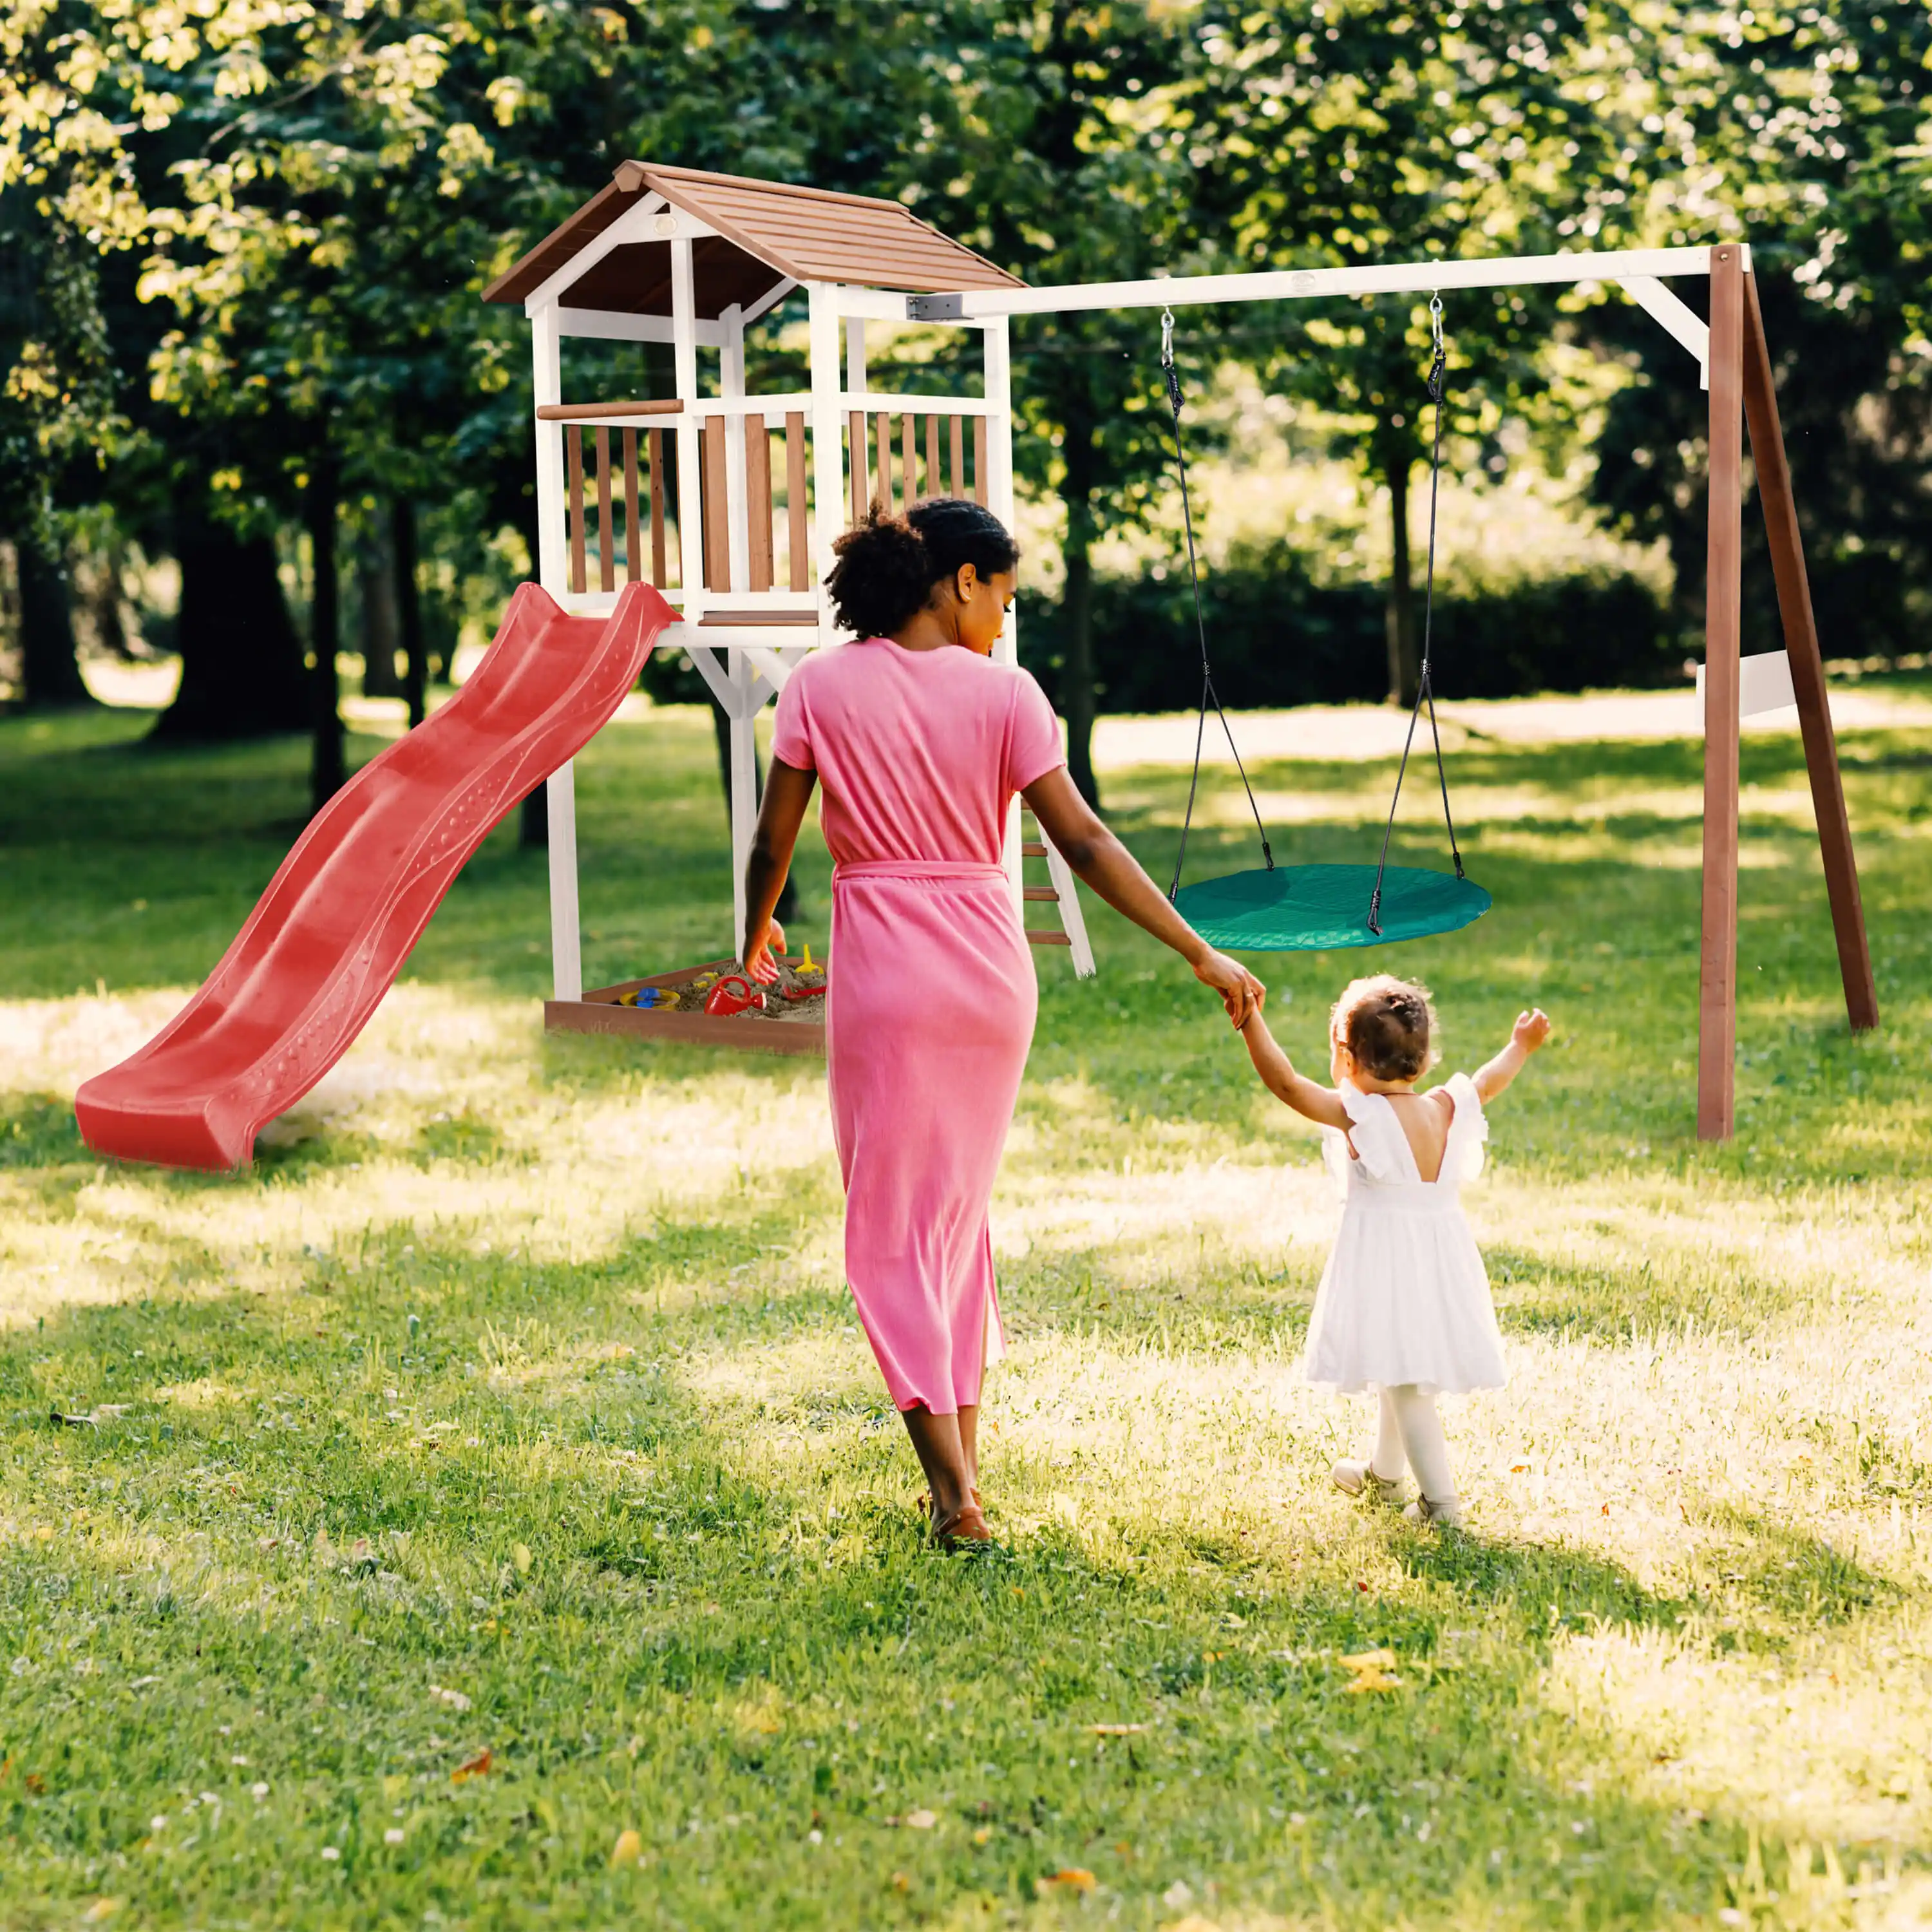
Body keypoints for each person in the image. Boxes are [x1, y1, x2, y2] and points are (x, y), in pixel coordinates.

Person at [741, 498, 1264, 1547]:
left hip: (887, 974)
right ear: (960, 581)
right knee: (952, 1225)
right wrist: (1197, 947)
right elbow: (1084, 844)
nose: (1005, 620)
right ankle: (963, 1476)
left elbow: (773, 840)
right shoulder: (1009, 697)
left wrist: (751, 937)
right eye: (1005, 596)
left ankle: (953, 1496)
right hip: (989, 974)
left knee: (890, 1231)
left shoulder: (817, 687)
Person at [1236, 975, 1551, 1528]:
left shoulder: (1361, 1116)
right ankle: (1384, 1476)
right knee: (1394, 1362)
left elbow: (1286, 1084)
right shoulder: (1446, 1106)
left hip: (1388, 1263)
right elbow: (1488, 1080)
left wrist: (1250, 1020)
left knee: (1406, 1383)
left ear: (1347, 1058)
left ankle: (1441, 1504)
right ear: (1424, 1060)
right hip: (1438, 1259)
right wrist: (1520, 1047)